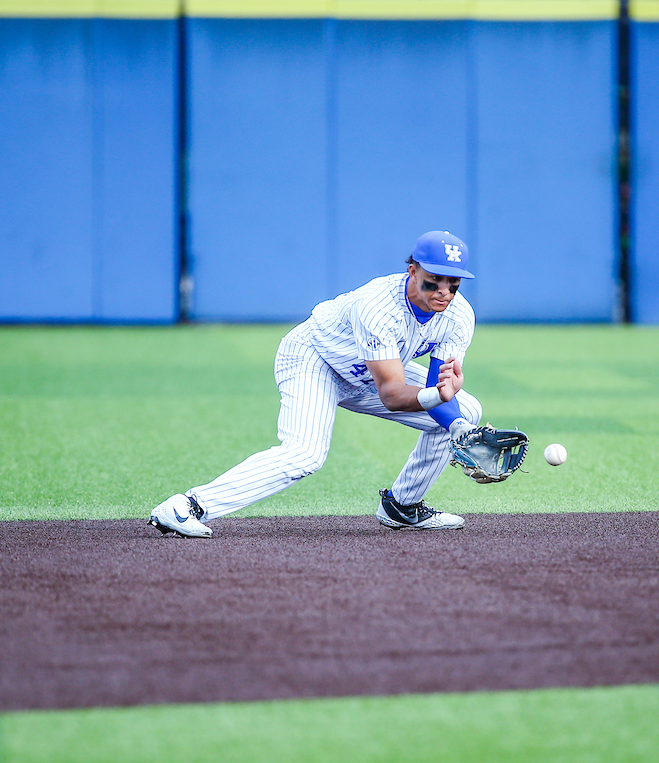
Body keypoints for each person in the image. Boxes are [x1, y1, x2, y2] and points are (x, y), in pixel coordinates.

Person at [149, 230, 484, 538]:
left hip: (370, 373)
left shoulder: (458, 317)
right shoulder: (378, 307)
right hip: (314, 360)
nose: (443, 292)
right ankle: (186, 507)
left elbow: (439, 386)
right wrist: (441, 400)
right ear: (412, 271)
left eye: (452, 283)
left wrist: (458, 429)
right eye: (433, 281)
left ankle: (402, 506)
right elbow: (394, 395)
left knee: (466, 410)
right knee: (304, 454)